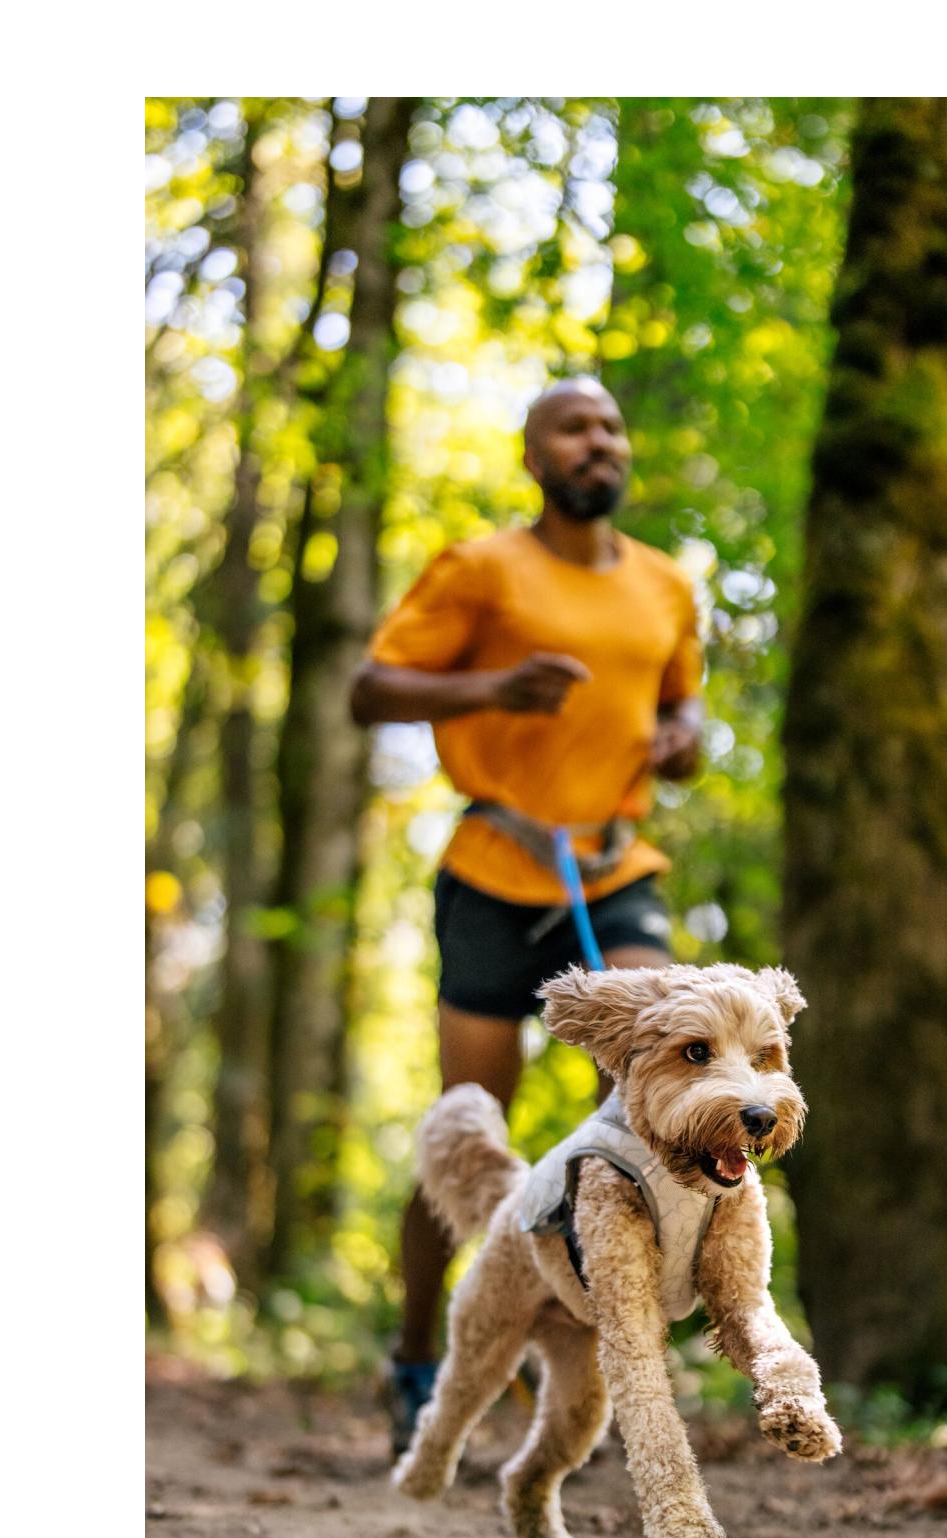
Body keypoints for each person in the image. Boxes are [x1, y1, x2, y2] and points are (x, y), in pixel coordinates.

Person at [348, 376, 705, 1455]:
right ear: (536, 458)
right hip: (497, 870)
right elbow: (371, 690)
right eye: (574, 428)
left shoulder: (666, 585)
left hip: (612, 867)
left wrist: (686, 737)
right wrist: (492, 689)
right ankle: (419, 1354)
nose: (600, 441)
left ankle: (612, 1350)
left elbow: (681, 706)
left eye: (611, 426)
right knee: (471, 1126)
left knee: (653, 1077)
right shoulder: (481, 568)